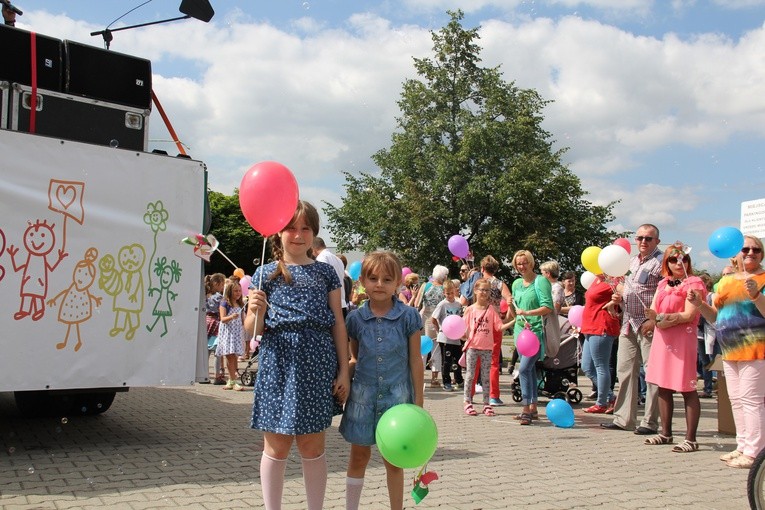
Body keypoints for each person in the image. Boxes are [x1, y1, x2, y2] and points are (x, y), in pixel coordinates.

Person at [245, 200, 350, 509]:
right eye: (291, 227)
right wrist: (254, 311)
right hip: (278, 365)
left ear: (314, 233)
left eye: (306, 228)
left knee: (312, 445)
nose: (298, 234)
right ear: (278, 232)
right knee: (276, 446)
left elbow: (338, 323)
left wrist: (344, 370)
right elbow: (253, 330)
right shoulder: (265, 274)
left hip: (318, 365)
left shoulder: (326, 273)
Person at [339, 251, 424, 510]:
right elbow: (354, 357)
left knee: (393, 460)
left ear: (398, 282)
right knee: (359, 457)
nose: (379, 284)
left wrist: (418, 400)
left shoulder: (408, 317)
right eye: (373, 278)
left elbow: (415, 360)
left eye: (387, 279)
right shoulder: (354, 319)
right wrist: (345, 380)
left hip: (397, 400)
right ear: (362, 280)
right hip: (362, 400)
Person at [689, 235, 765, 468]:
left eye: (756, 250)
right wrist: (701, 304)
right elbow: (716, 318)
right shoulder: (723, 283)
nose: (750, 253)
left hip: (756, 348)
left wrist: (756, 295)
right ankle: (742, 445)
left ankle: (756, 453)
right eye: (745, 249)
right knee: (737, 400)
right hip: (729, 348)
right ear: (736, 254)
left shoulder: (762, 278)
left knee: (753, 401)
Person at [640, 242, 706, 453]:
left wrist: (661, 319)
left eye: (683, 259)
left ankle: (691, 438)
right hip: (663, 338)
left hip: (682, 340)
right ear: (666, 262)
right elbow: (652, 312)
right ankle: (665, 433)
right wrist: (655, 320)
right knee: (663, 386)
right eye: (673, 259)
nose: (679, 263)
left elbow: (689, 315)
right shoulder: (662, 284)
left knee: (687, 387)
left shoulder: (693, 283)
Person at [601, 224, 662, 435]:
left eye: (648, 238)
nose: (643, 242)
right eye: (640, 238)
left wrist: (654, 319)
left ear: (657, 241)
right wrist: (618, 299)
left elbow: (664, 294)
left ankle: (650, 421)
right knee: (624, 370)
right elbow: (628, 289)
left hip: (648, 324)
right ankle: (624, 418)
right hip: (628, 323)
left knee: (652, 372)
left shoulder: (662, 262)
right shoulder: (632, 262)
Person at [508, 250, 552, 425]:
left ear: (531, 263)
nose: (522, 266)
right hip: (520, 332)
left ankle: (526, 408)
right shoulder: (517, 283)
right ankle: (533, 407)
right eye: (518, 263)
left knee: (524, 369)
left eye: (525, 262)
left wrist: (528, 312)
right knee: (530, 369)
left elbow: (547, 307)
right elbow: (514, 313)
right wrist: (511, 306)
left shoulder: (540, 281)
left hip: (535, 332)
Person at [462, 278, 512, 417]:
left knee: (485, 377)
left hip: (487, 348)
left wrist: (514, 321)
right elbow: (463, 328)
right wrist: (462, 336)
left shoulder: (491, 310)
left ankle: (486, 403)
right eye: (481, 290)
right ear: (475, 291)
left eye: (487, 290)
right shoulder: (470, 310)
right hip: (472, 347)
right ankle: (467, 401)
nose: (484, 293)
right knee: (470, 375)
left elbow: (499, 327)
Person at [581, 272, 620, 414]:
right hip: (589, 327)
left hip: (601, 326)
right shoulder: (596, 280)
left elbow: (623, 293)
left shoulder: (614, 280)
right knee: (587, 367)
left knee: (600, 366)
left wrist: (614, 302)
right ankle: (611, 397)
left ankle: (601, 402)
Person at [414, 265, 449, 388]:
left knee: (422, 349)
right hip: (438, 320)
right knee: (436, 349)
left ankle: (419, 377)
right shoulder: (444, 289)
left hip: (424, 319)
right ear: (443, 276)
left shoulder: (425, 286)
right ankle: (434, 378)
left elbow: (417, 303)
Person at [431, 279, 464, 391]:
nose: (450, 295)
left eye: (451, 292)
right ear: (444, 293)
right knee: (446, 361)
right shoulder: (442, 304)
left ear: (454, 291)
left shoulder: (458, 304)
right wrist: (439, 330)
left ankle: (459, 380)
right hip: (445, 338)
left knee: (458, 360)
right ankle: (446, 382)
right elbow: (433, 319)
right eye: (447, 293)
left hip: (456, 338)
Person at [215, 279, 245, 391]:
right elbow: (222, 319)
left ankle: (231, 380)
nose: (238, 293)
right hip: (228, 333)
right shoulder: (225, 303)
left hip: (236, 333)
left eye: (239, 291)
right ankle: (232, 380)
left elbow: (242, 320)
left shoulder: (240, 303)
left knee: (234, 357)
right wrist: (232, 317)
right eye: (235, 291)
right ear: (229, 291)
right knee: (229, 357)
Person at [312, 237, 348, 317]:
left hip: (330, 304)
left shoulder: (321, 258)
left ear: (313, 248)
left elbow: (322, 283)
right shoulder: (338, 259)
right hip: (341, 302)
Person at [204, 273, 226, 384]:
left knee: (206, 350)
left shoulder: (205, 296)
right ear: (217, 284)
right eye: (222, 285)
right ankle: (217, 376)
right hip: (217, 323)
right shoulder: (218, 297)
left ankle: (203, 375)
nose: (223, 288)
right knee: (218, 351)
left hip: (207, 322)